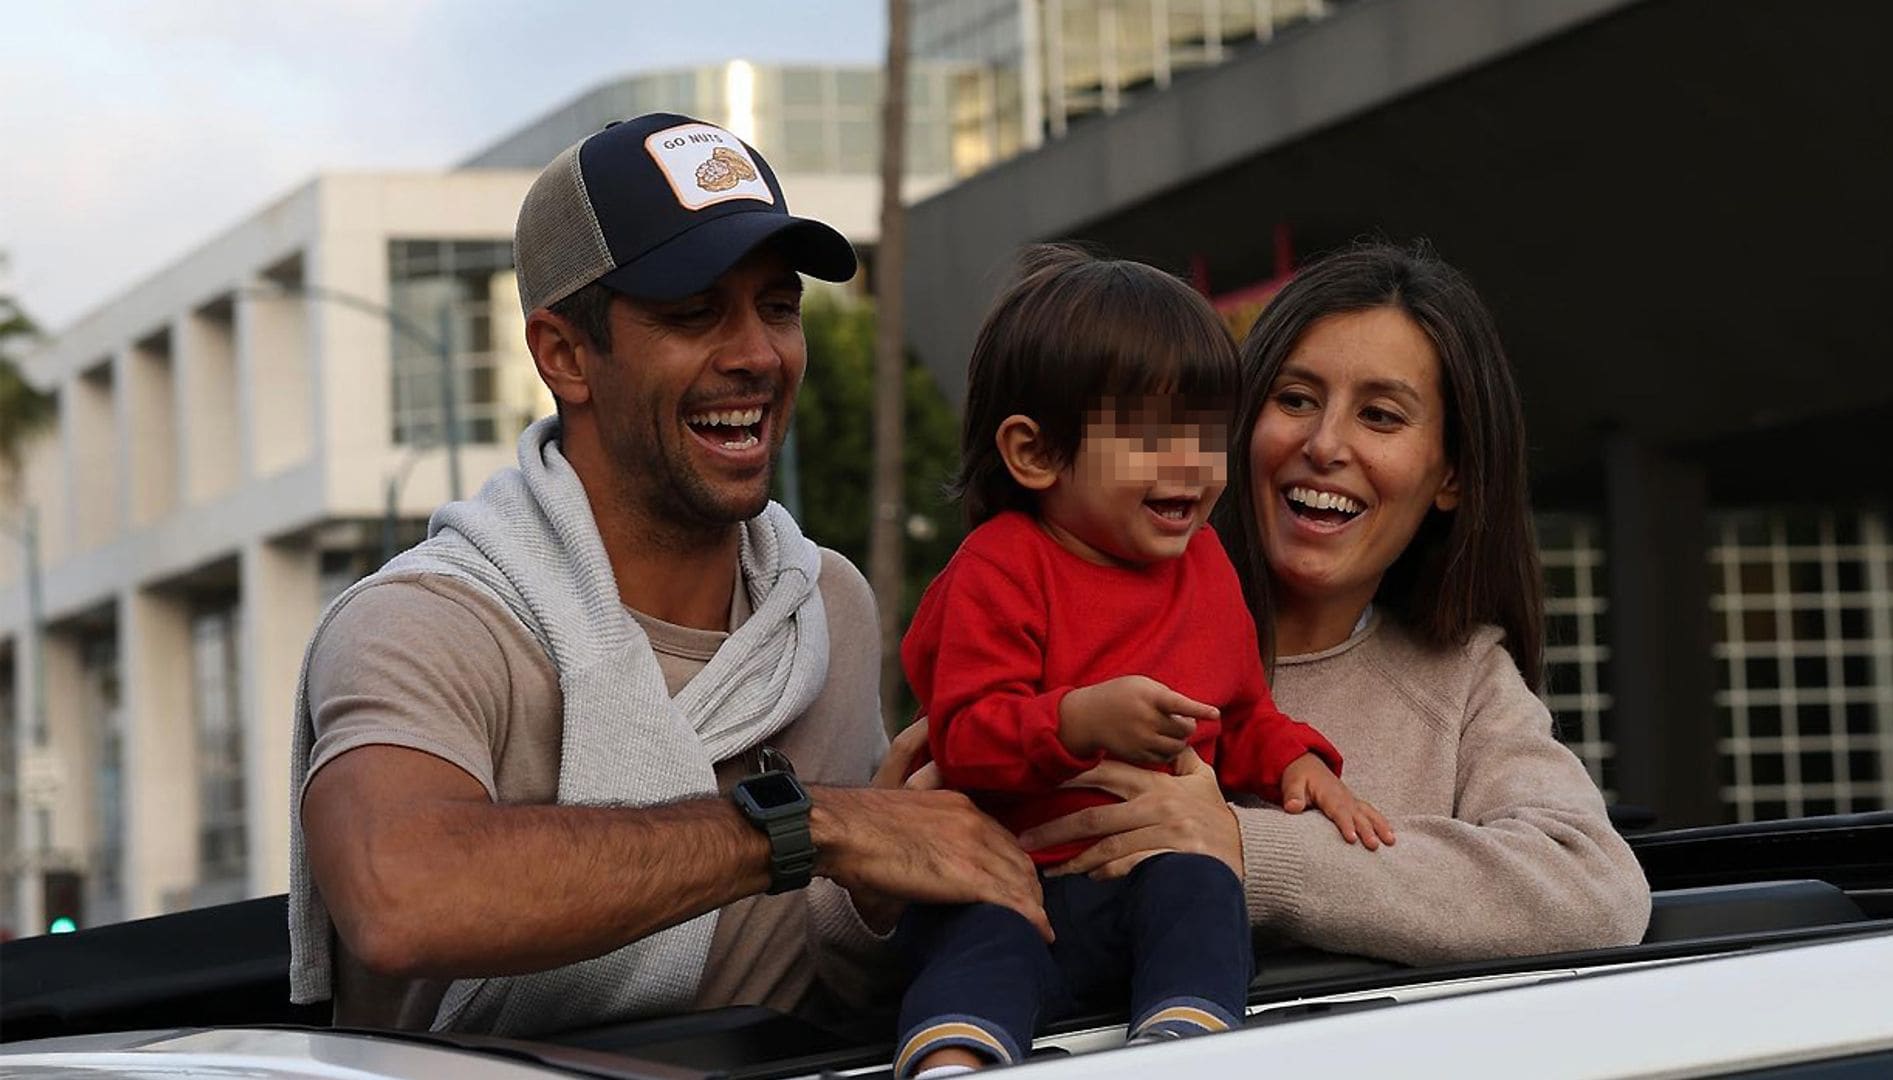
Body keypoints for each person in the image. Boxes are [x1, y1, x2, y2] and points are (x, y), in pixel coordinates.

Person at [289, 113, 1051, 1039]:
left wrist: (886, 890)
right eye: (693, 314)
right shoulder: (430, 621)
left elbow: (830, 962)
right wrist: (805, 827)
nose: (758, 355)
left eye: (778, 306)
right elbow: (398, 893)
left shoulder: (823, 606)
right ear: (564, 354)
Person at [999, 240, 1652, 965]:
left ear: (1453, 476)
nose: (1324, 443)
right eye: (1295, 399)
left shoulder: (1465, 682)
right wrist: (892, 881)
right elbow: (880, 890)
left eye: (1380, 416)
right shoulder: (1057, 594)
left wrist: (1246, 849)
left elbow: (1596, 890)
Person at [890, 247, 1391, 1078]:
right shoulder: (997, 566)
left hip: (1146, 876)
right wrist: (1078, 718)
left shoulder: (1206, 566)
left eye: (1205, 435)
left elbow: (1237, 717)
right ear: (1035, 454)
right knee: (974, 937)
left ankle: (1183, 1038)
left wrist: (1298, 762)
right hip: (1014, 876)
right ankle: (954, 1056)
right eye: (1154, 437)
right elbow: (963, 736)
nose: (1190, 465)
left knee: (1200, 886)